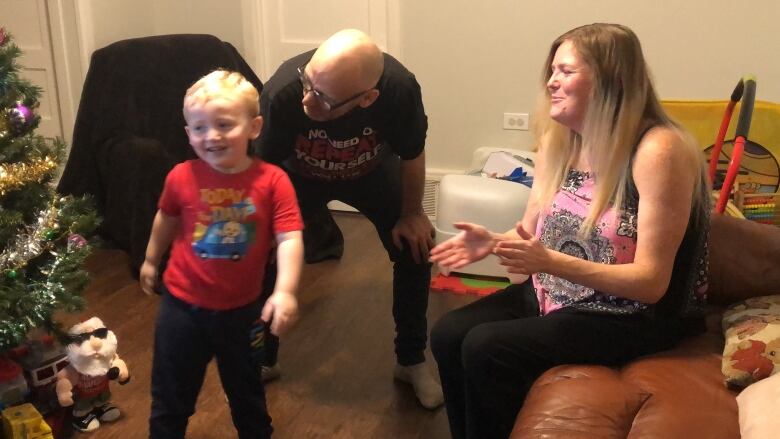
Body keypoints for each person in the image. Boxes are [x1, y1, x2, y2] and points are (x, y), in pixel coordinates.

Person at [429, 23, 711, 439]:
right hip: (557, 291)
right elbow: (528, 234)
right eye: (551, 71)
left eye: (565, 72)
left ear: (610, 80)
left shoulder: (658, 149)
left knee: (486, 347)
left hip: (633, 313)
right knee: (449, 333)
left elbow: (652, 283)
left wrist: (549, 261)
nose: (551, 83)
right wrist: (493, 242)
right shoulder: (559, 140)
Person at [254, 28, 442, 409]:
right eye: (308, 82)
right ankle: (261, 357)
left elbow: (412, 153)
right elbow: (263, 168)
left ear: (368, 97)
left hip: (371, 172)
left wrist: (411, 214)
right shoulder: (283, 92)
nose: (308, 100)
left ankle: (410, 360)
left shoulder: (398, 90)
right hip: (298, 175)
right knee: (264, 253)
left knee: (416, 248)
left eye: (323, 98)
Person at [139, 69, 304, 438]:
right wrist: (151, 259)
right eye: (199, 128)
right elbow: (166, 217)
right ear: (188, 133)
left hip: (243, 312)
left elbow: (290, 236)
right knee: (170, 397)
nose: (211, 136)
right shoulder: (181, 177)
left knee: (248, 395)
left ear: (254, 127)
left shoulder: (273, 181)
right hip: (181, 308)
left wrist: (285, 290)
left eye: (224, 125)